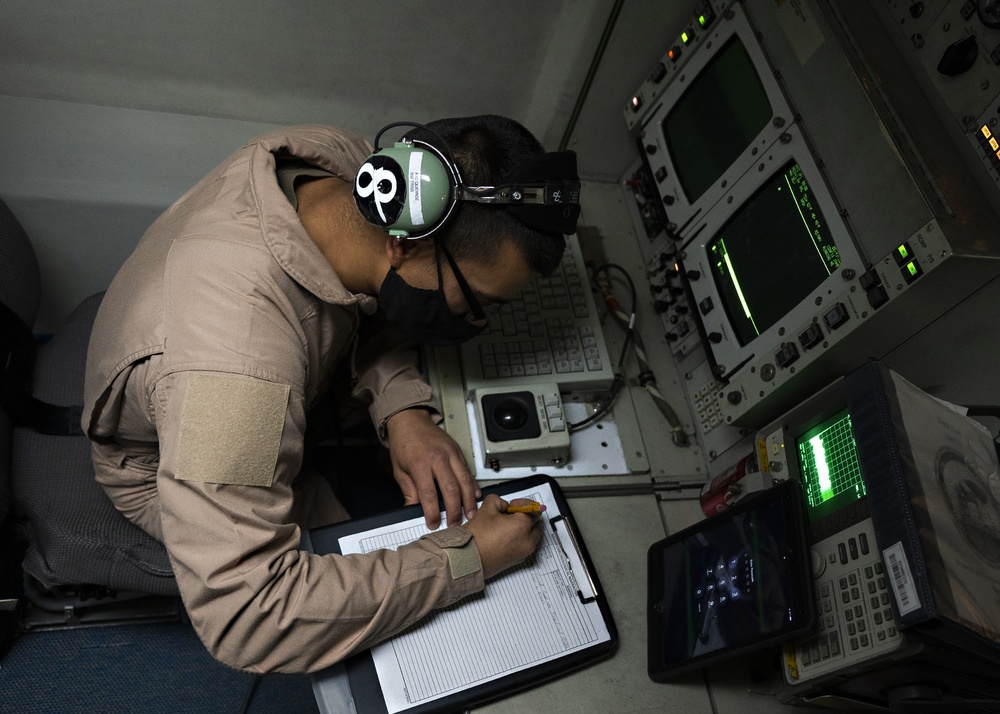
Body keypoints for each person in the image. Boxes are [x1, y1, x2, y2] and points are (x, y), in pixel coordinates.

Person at [81, 115, 580, 673]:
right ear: (401, 243)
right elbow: (250, 617)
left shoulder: (341, 164)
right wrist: (467, 561)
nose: (477, 322)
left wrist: (404, 409)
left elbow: (362, 300)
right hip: (161, 457)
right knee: (379, 586)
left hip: (269, 385)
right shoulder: (236, 366)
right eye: (476, 300)